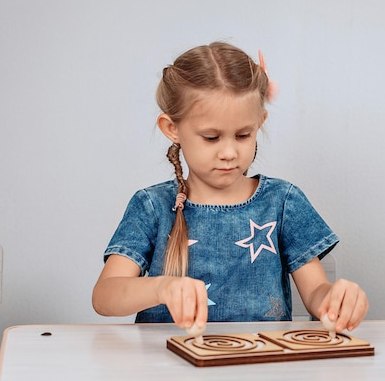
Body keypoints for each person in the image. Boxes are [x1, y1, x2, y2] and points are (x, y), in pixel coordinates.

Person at [92, 42, 368, 336]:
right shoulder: (153, 206)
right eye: (211, 137)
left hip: (260, 371)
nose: (229, 152)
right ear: (172, 128)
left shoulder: (283, 202)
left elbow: (316, 294)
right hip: (168, 373)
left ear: (259, 123)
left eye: (243, 135)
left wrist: (336, 300)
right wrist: (161, 287)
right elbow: (104, 297)